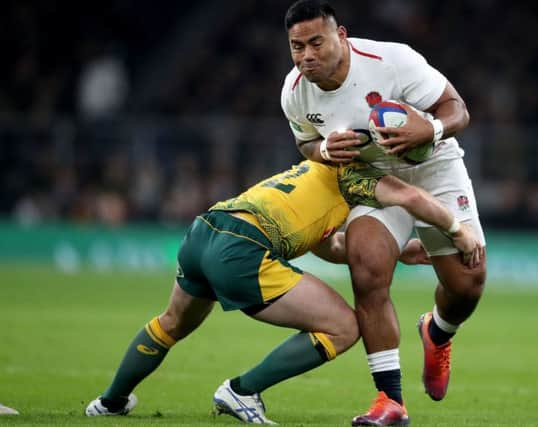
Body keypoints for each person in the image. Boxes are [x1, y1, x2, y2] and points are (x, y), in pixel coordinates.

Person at [85, 159, 482, 424]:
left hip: (204, 231)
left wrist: (398, 252)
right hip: (242, 250)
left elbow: (332, 247)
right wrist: (457, 232)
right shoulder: (356, 173)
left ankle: (109, 401)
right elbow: (412, 197)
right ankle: (241, 391)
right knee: (344, 327)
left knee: (171, 323)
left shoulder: (313, 170)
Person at [281, 1, 487, 425]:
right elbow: (306, 144)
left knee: (467, 284)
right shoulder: (294, 90)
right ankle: (389, 401)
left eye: (316, 42)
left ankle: (438, 331)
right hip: (372, 178)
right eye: (297, 47)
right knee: (367, 270)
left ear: (341, 36)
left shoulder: (392, 61)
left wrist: (426, 128)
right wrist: (321, 150)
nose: (307, 56)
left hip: (434, 166)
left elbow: (458, 110)